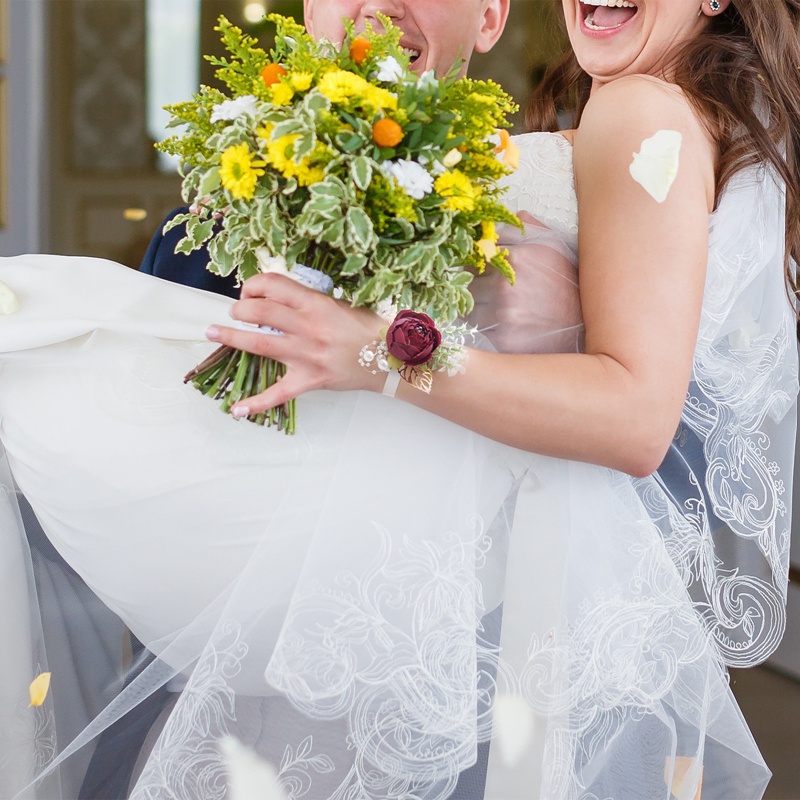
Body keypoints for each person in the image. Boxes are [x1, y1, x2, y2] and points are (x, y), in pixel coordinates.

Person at [0, 2, 798, 800]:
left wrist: (383, 350)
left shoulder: (639, 109)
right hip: (391, 602)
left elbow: (638, 415)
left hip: (429, 600)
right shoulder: (668, 111)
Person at [139, 0, 510, 295]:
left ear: (489, 18)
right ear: (310, 12)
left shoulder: (532, 251)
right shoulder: (189, 249)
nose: (380, 7)